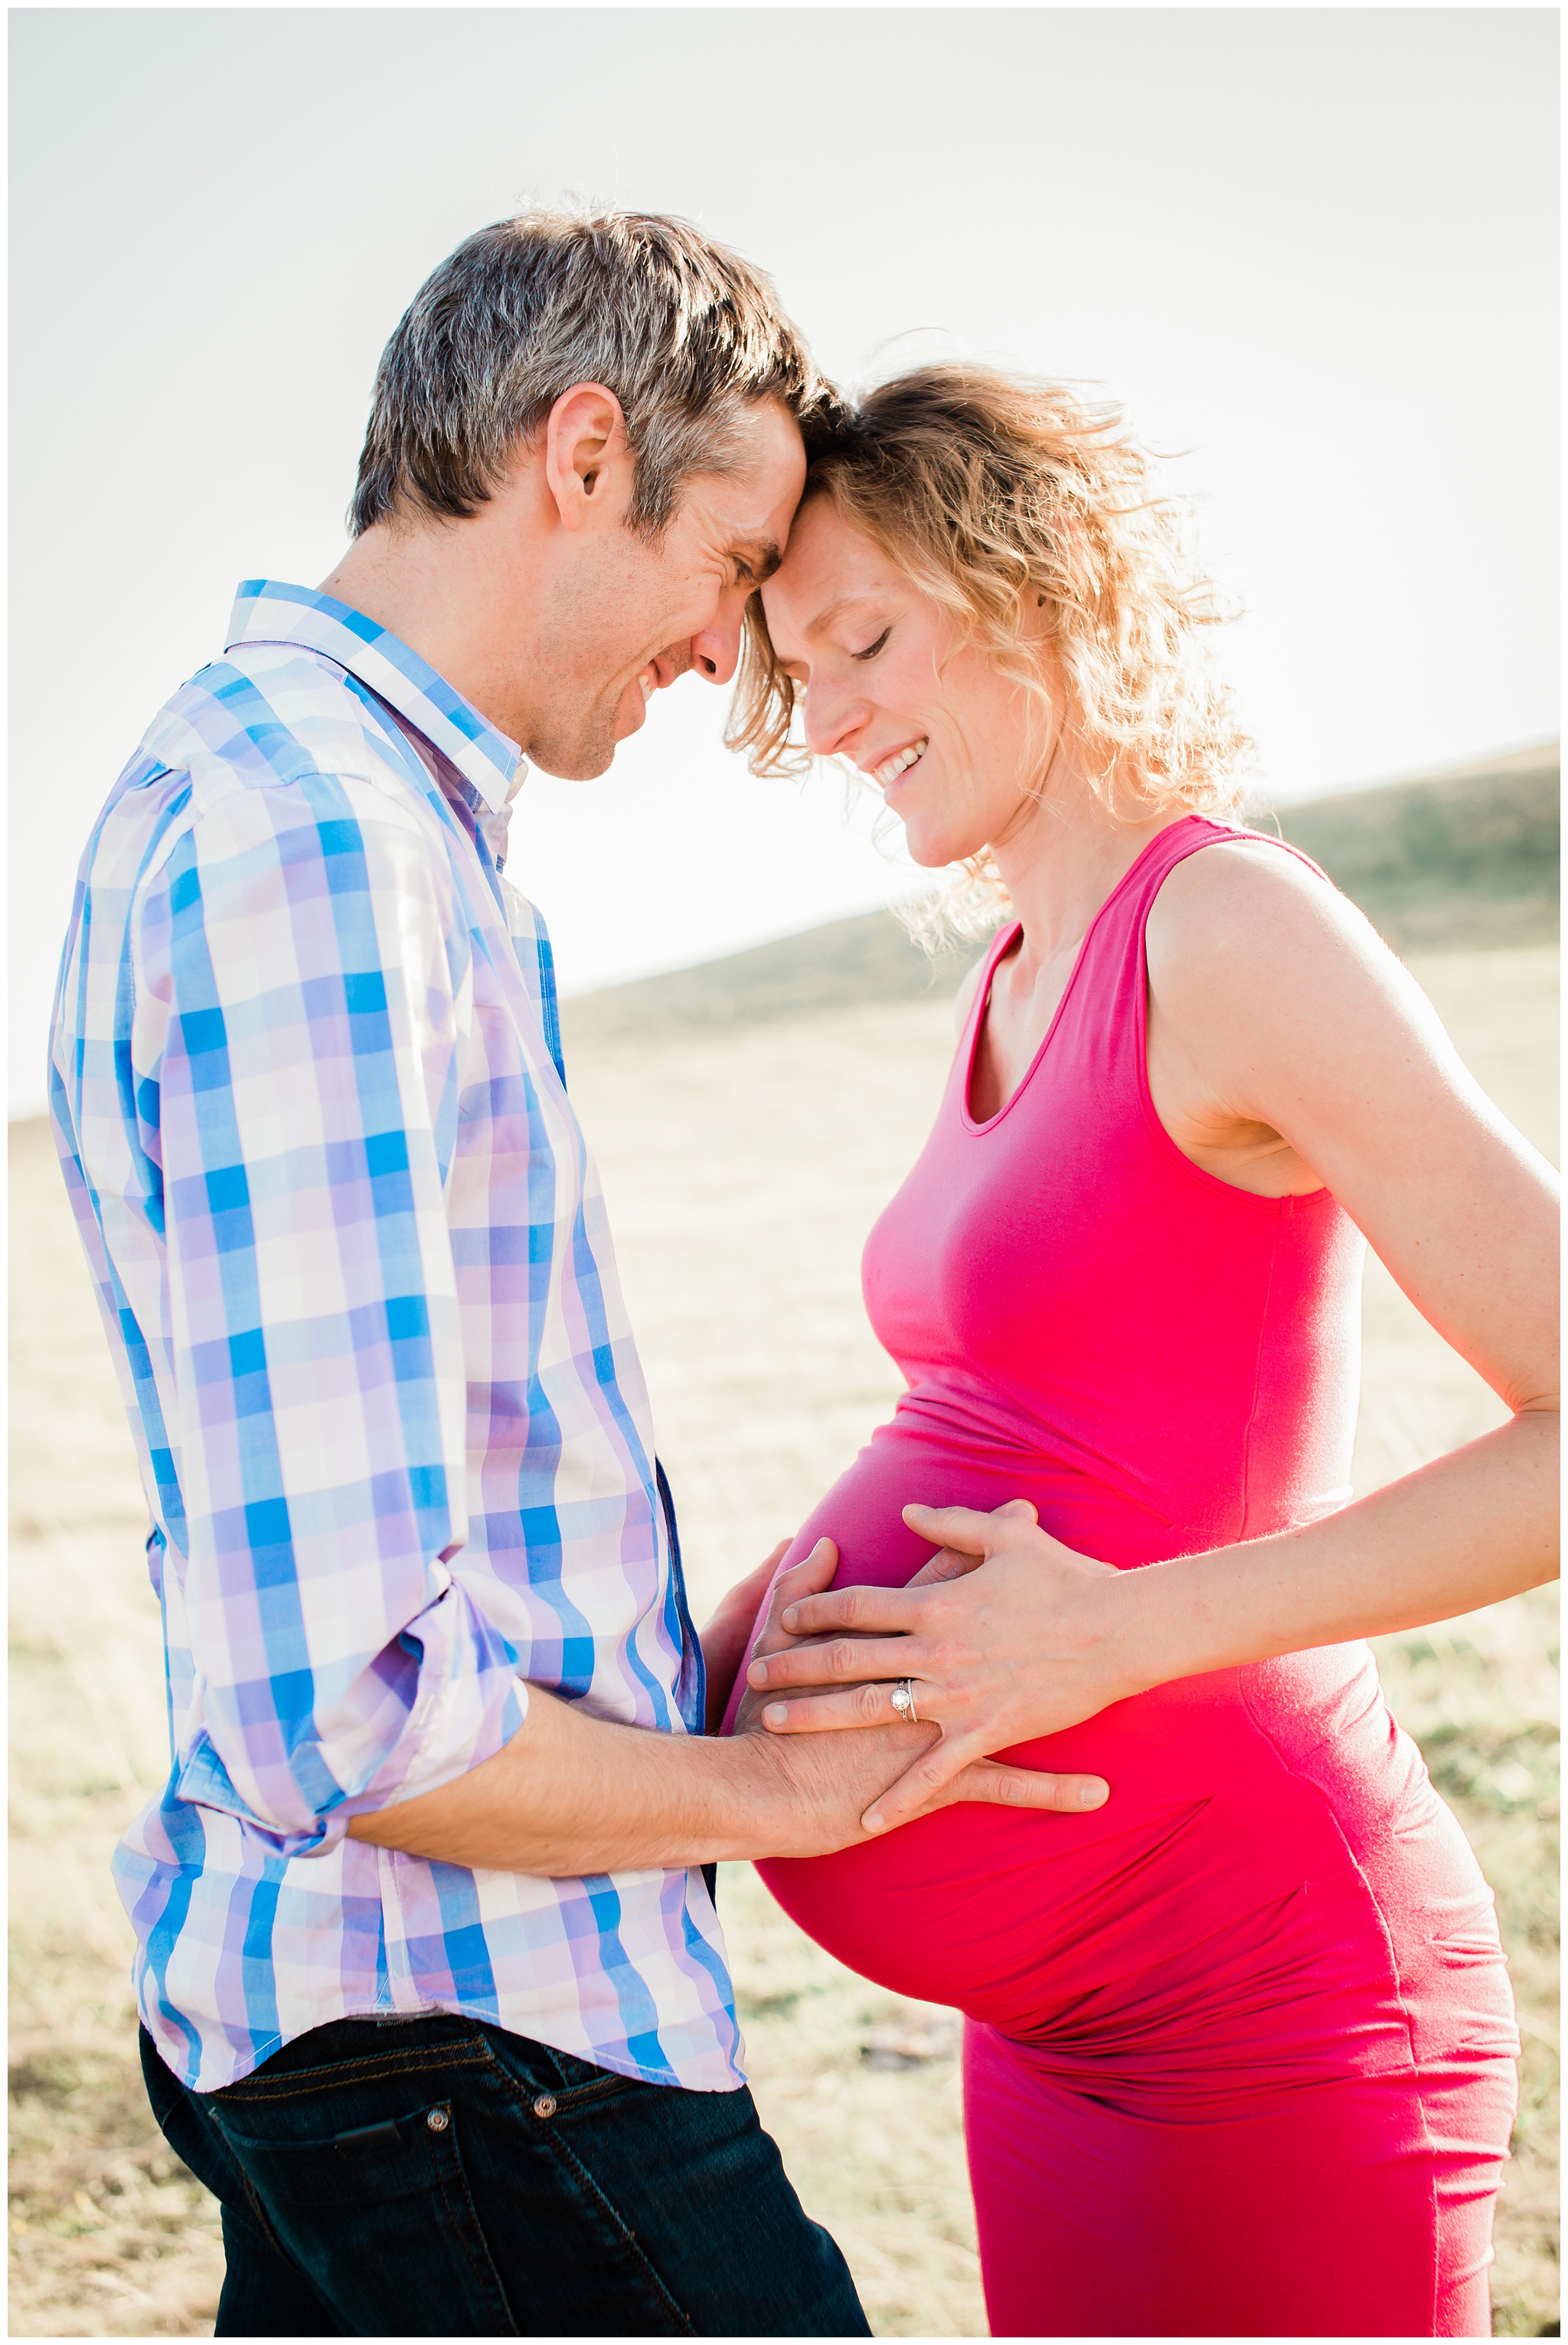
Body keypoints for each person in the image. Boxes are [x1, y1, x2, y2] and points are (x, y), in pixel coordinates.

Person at [47, 221, 1106, 2338]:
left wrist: (684, 1655)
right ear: (585, 451)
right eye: (729, 567)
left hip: (380, 2032)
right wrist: (774, 1787)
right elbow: (349, 1698)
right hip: (472, 2041)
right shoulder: (321, 848)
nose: (733, 659)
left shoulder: (308, 797)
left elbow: (377, 1548)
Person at [716, 366, 1559, 2339]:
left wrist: (1120, 1636)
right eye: (795, 669)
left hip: (1281, 2003)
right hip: (1066, 2025)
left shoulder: (1230, 926)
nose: (828, 721)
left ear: (1035, 592)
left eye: (863, 642)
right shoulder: (1015, 965)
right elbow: (1022, 1413)